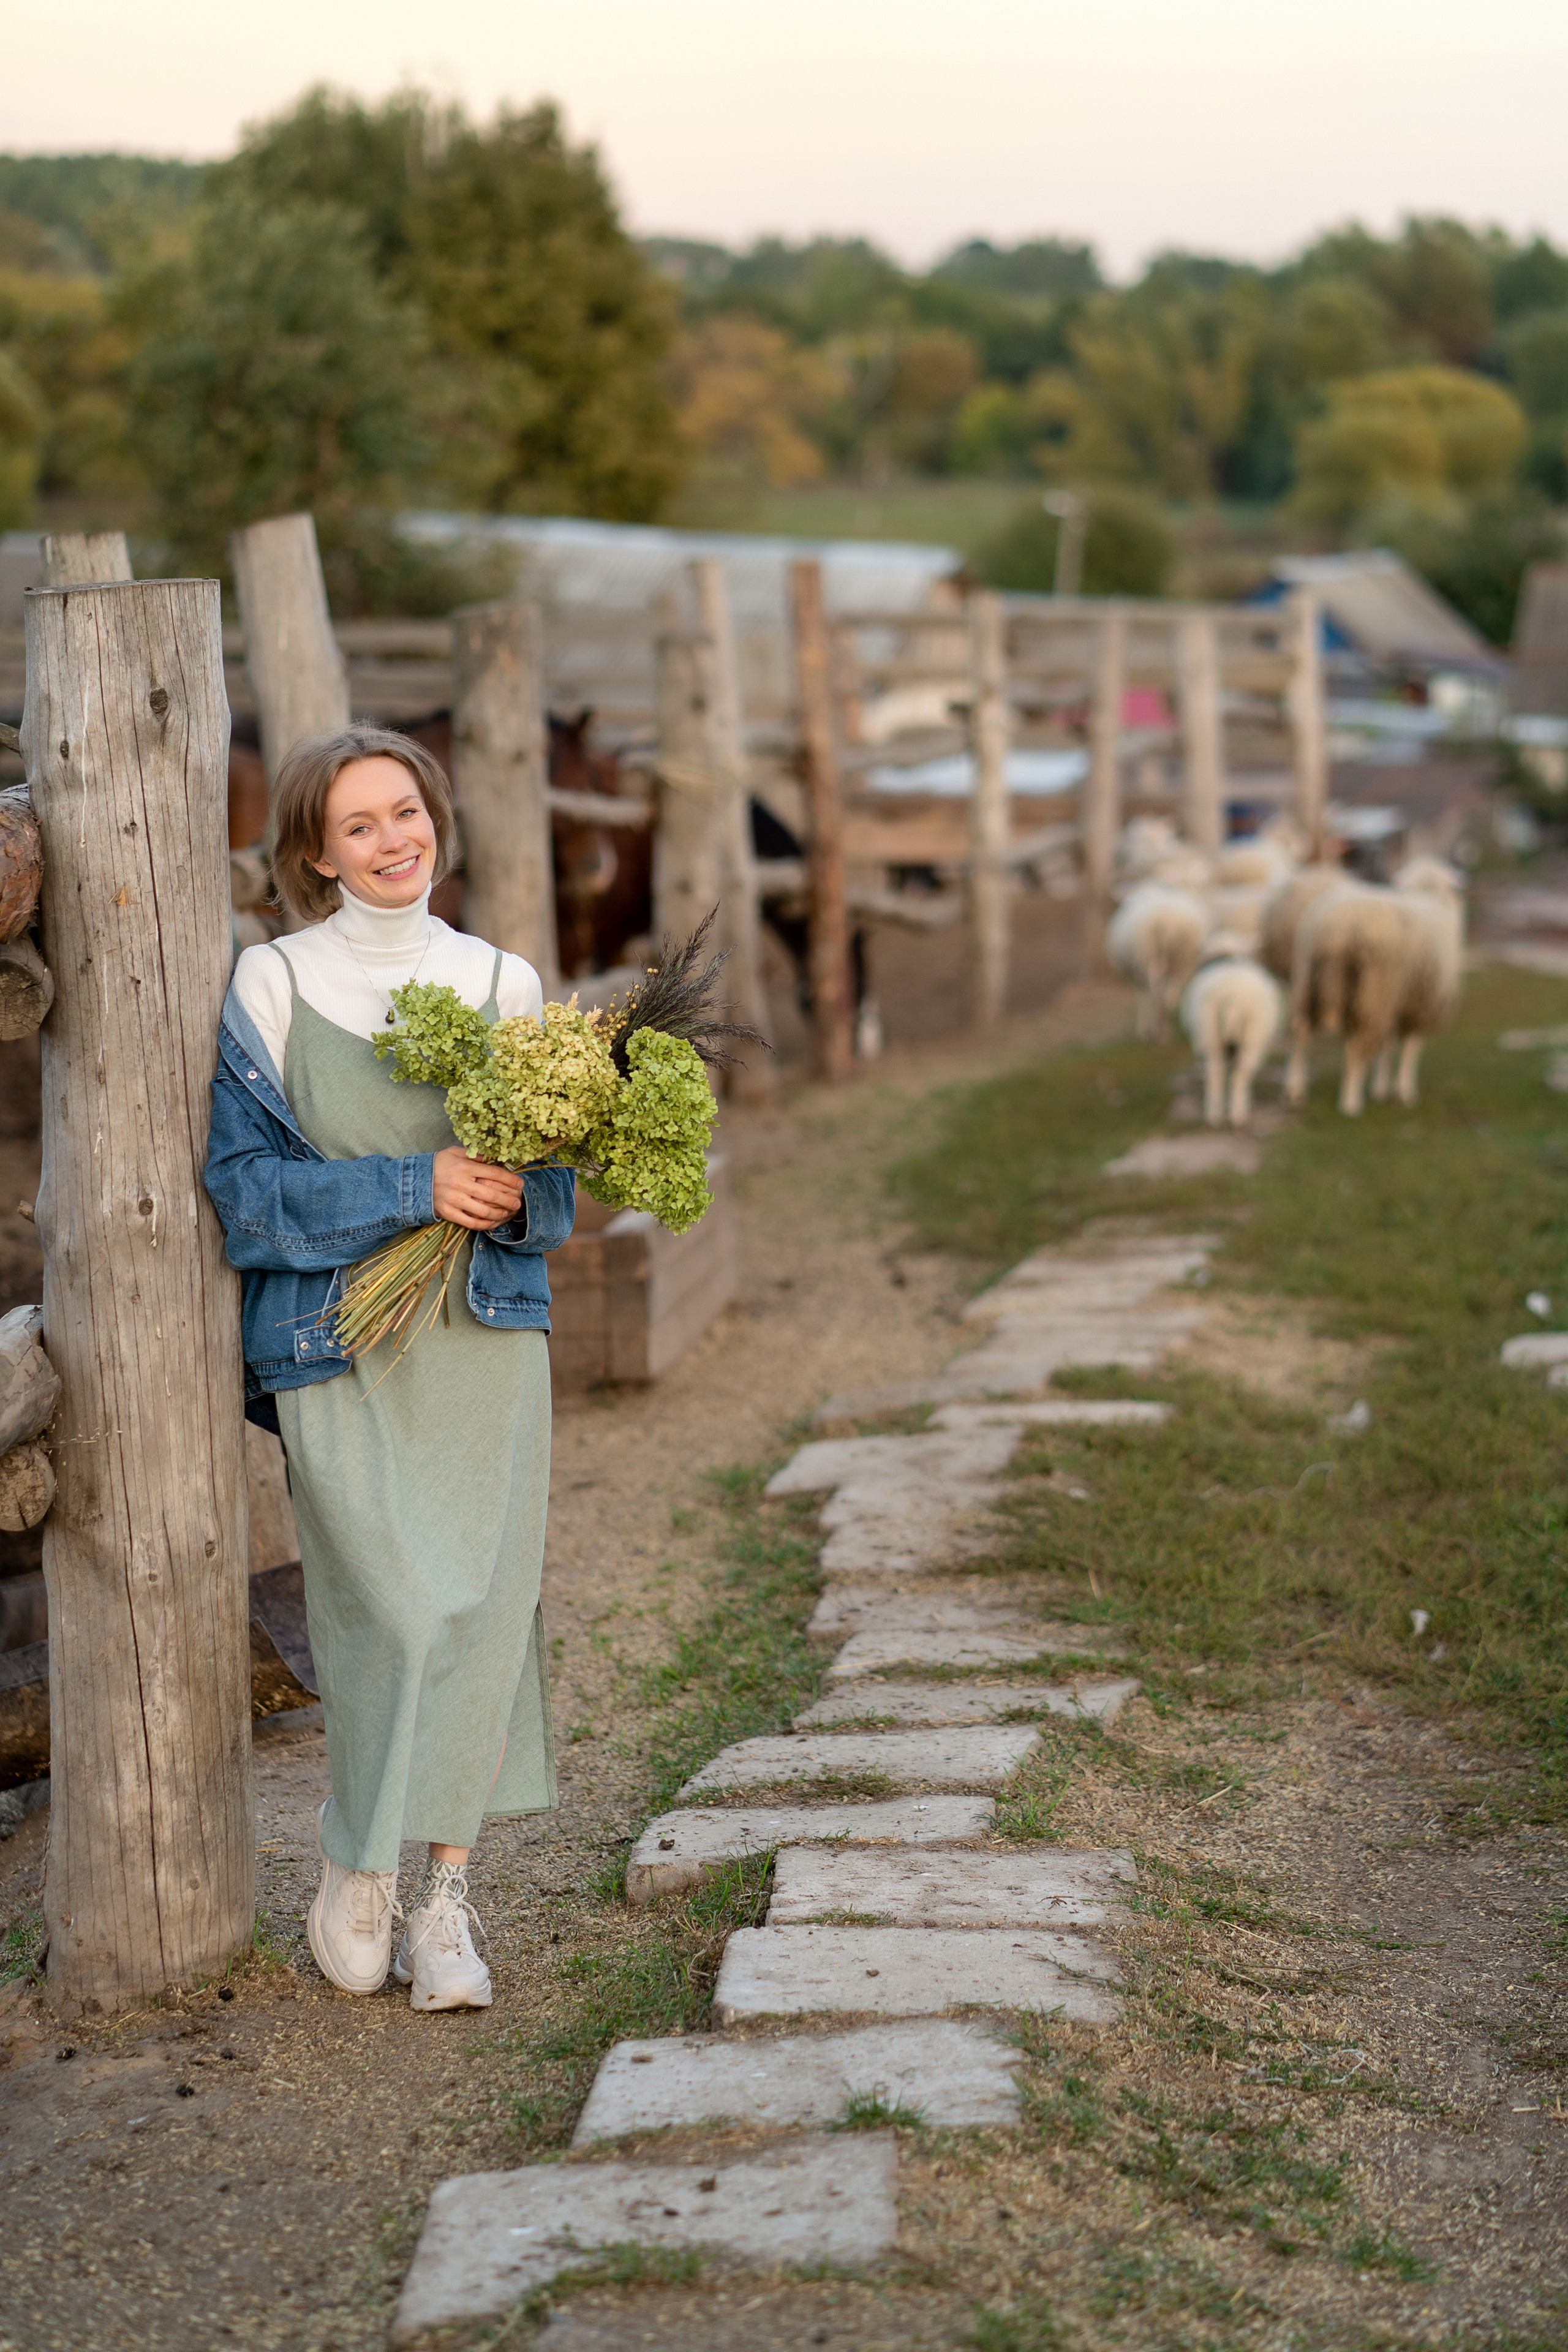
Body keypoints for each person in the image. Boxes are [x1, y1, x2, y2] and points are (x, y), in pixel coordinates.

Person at [205, 725, 574, 2010]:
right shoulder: (269, 984)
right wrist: (412, 1183)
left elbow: (556, 1201)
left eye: (404, 812)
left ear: (437, 820)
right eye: (357, 824)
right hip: (337, 1342)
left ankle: (447, 1904)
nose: (391, 840)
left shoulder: (501, 982)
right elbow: (246, 1196)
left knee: (477, 1614)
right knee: (388, 1610)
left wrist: (513, 1197)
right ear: (314, 850)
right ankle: (356, 1862)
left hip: (479, 1339)